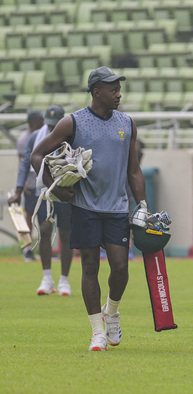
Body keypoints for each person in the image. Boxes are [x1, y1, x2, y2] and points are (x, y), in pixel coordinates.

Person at [31, 66, 147, 351]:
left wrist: (143, 206)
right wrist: (54, 188)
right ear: (97, 92)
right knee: (90, 266)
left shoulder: (127, 123)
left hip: (118, 207)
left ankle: (112, 312)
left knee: (120, 267)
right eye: (113, 89)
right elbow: (37, 155)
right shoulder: (72, 122)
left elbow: (134, 170)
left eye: (119, 88)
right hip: (84, 206)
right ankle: (97, 331)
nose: (119, 94)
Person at [8, 105, 73, 296]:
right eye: (50, 124)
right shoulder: (36, 136)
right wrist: (19, 190)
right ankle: (46, 277)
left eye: (56, 125)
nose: (52, 128)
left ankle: (64, 280)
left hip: (65, 188)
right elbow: (25, 164)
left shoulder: (71, 134)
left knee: (66, 234)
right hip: (43, 190)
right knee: (44, 229)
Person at [15, 109, 44, 262]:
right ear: (34, 121)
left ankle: (39, 247)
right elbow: (22, 161)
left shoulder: (42, 134)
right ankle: (25, 247)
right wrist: (23, 181)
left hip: (41, 178)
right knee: (28, 215)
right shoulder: (24, 138)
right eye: (40, 118)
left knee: (42, 216)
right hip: (30, 180)